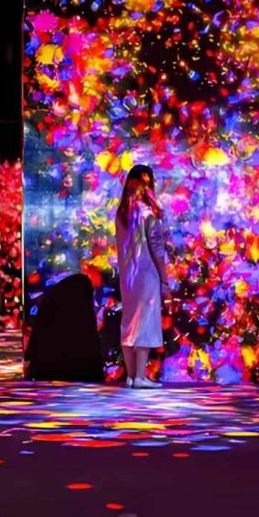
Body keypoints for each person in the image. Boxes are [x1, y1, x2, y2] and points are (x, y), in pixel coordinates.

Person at [115, 164, 169, 388]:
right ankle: (140, 377)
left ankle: (130, 376)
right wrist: (165, 280)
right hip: (147, 275)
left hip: (128, 277)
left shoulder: (122, 214)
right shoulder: (148, 213)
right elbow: (157, 250)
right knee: (145, 322)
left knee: (128, 322)